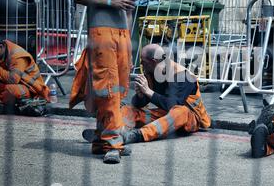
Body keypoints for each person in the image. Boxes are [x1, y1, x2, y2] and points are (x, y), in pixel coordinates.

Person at [69, 0, 138, 164]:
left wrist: (128, 39)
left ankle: (100, 139)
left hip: (121, 36)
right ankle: (113, 143)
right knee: (107, 89)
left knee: (118, 90)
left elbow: (128, 10)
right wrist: (111, 2)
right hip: (101, 33)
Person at [82, 44, 211, 147]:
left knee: (180, 112)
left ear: (153, 61)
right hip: (162, 115)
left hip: (189, 120)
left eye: (143, 62)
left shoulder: (183, 75)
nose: (141, 65)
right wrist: (140, 95)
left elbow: (173, 104)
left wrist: (148, 92)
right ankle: (109, 132)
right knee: (127, 109)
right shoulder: (151, 73)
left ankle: (136, 135)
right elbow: (138, 104)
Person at [0, 35, 50, 115]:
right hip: (3, 86)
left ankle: (1, 105)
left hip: (27, 88)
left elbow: (13, 79)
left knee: (11, 89)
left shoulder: (18, 56)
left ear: (0, 47)